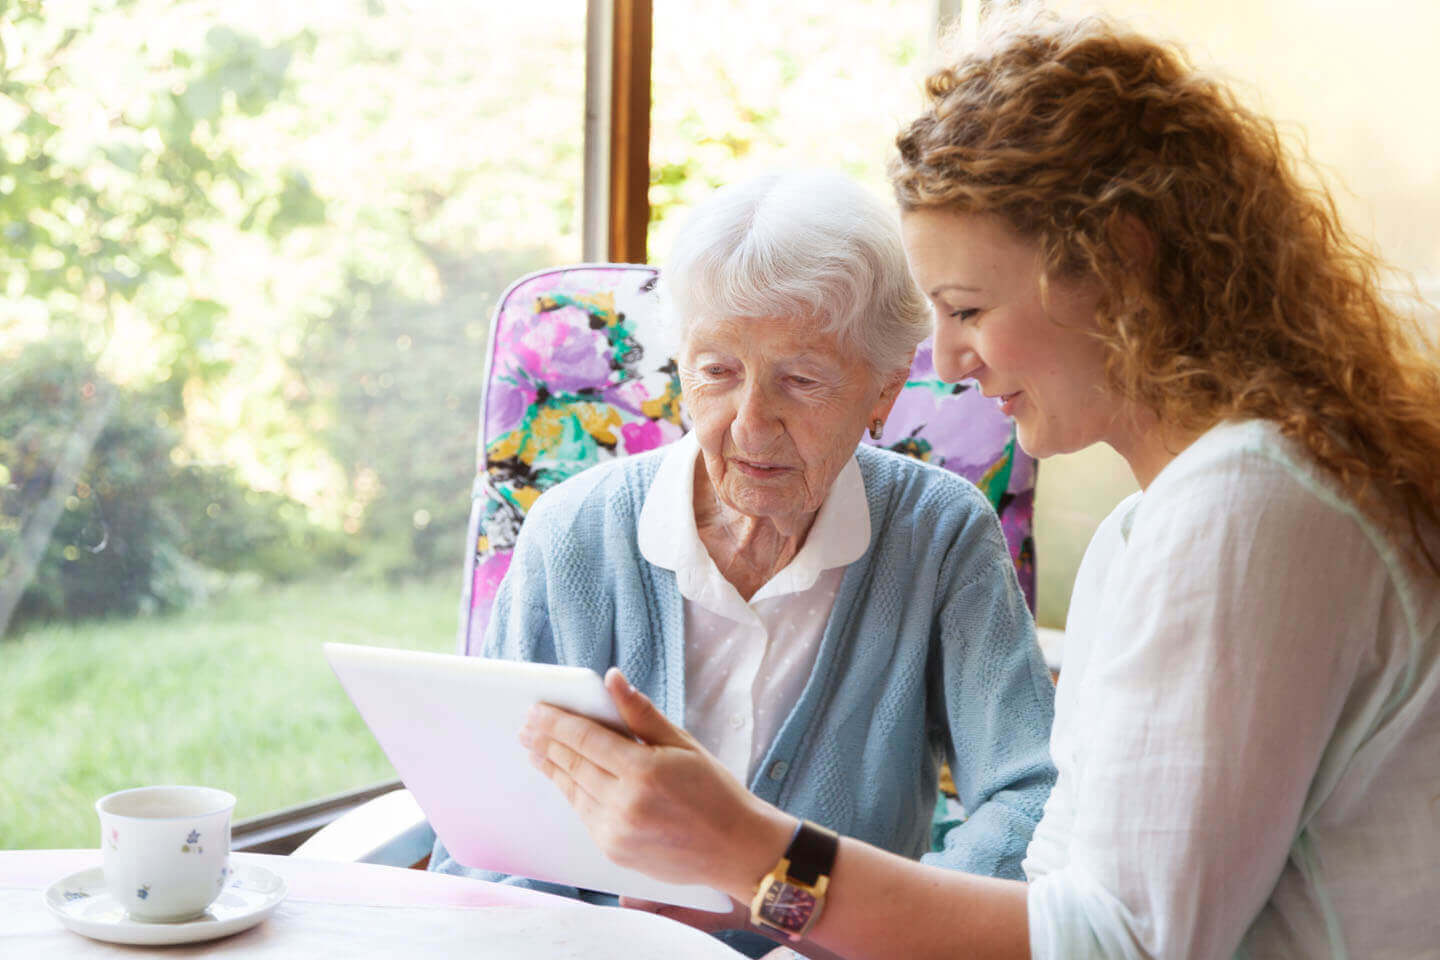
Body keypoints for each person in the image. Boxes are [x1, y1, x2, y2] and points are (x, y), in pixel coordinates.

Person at [516, 13, 1440, 960]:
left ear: (1119, 265)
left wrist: (753, 855)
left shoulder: (1247, 512)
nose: (946, 361)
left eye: (966, 308)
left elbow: (1115, 945)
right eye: (717, 372)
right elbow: (1060, 895)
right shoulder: (1158, 526)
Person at [436, 169, 1058, 956]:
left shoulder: (940, 535)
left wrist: (863, 935)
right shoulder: (572, 534)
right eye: (717, 372)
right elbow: (487, 839)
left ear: (885, 391)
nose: (751, 426)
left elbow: (1031, 800)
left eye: (801, 380)